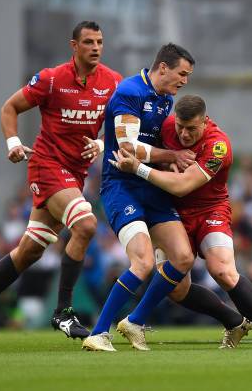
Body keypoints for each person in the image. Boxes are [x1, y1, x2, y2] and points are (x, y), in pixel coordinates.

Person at [0, 21, 122, 348]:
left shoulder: (112, 82)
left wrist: (102, 144)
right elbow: (10, 107)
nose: (96, 47)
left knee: (29, 251)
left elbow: (120, 126)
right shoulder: (51, 79)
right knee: (86, 225)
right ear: (74, 46)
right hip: (46, 166)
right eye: (88, 42)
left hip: (74, 174)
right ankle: (63, 310)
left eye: (100, 41)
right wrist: (13, 142)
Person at [108, 95, 252, 349]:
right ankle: (233, 322)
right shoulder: (165, 127)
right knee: (176, 289)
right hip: (171, 212)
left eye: (192, 129)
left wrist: (139, 169)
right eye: (180, 127)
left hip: (210, 210)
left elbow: (183, 186)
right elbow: (132, 141)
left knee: (223, 270)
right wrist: (104, 146)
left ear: (205, 121)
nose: (184, 134)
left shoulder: (218, 145)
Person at [81, 44, 197, 352]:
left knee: (184, 258)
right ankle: (98, 332)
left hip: (151, 186)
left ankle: (134, 321)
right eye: (181, 73)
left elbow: (150, 144)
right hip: (122, 187)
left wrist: (168, 160)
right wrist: (172, 154)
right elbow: (129, 148)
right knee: (143, 262)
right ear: (163, 68)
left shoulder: (165, 99)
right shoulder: (129, 92)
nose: (184, 80)